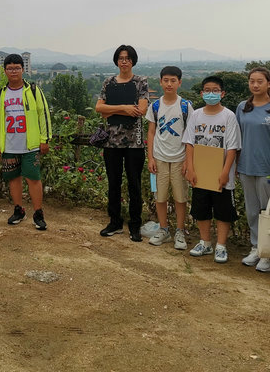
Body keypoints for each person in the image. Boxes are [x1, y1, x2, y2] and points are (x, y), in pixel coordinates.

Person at [182, 76, 241, 263]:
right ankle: (205, 242)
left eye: (215, 90)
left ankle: (221, 245)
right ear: (201, 93)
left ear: (222, 93)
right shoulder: (196, 115)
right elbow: (189, 143)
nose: (211, 93)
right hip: (200, 173)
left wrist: (225, 172)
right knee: (201, 208)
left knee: (223, 210)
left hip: (222, 174)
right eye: (207, 90)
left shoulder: (229, 116)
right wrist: (190, 169)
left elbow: (232, 147)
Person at [94, 45, 149, 241]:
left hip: (134, 143)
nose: (124, 61)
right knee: (113, 183)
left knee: (134, 184)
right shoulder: (108, 82)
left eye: (127, 58)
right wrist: (125, 107)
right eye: (120, 58)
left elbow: (141, 110)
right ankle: (115, 222)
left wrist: (112, 110)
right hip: (111, 143)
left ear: (133, 60)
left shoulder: (140, 82)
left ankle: (135, 225)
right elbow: (99, 108)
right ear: (116, 61)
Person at [0, 54, 52, 230]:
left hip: (30, 144)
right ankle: (19, 210)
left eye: (17, 68)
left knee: (33, 178)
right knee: (13, 178)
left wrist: (44, 139)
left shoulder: (33, 90)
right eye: (10, 68)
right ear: (5, 71)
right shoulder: (1, 94)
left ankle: (38, 213)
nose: (13, 71)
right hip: (9, 144)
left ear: (23, 69)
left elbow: (43, 114)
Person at [235, 67, 270, 273]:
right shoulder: (242, 107)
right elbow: (237, 138)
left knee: (268, 212)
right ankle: (256, 247)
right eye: (251, 81)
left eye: (259, 81)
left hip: (267, 169)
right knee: (251, 210)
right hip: (246, 166)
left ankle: (269, 254)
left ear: (269, 84)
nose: (255, 85)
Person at [145, 65, 191, 250]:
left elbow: (190, 135)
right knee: (160, 196)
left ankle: (180, 230)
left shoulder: (185, 106)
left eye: (173, 80)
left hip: (180, 158)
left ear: (179, 82)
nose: (169, 84)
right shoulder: (155, 106)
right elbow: (151, 132)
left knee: (181, 197)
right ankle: (163, 229)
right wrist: (150, 158)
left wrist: (189, 160)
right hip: (160, 158)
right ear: (160, 81)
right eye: (166, 80)